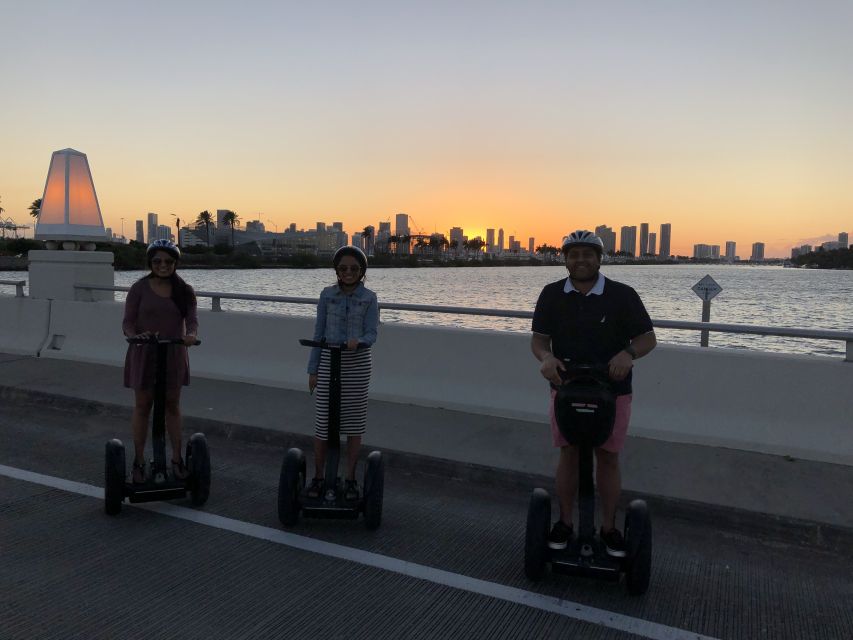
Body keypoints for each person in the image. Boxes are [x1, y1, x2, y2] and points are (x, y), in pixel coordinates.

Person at [531, 230, 657, 557]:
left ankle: (609, 528)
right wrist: (546, 359)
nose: (581, 260)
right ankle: (565, 523)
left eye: (588, 254)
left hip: (613, 391)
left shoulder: (622, 295)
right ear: (565, 259)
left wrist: (627, 354)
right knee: (569, 453)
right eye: (574, 254)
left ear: (600, 259)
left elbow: (647, 339)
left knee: (608, 456)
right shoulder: (551, 294)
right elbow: (539, 340)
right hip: (565, 387)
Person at [122, 240, 199, 484]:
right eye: (157, 261)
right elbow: (128, 322)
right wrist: (134, 336)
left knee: (172, 405)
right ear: (150, 263)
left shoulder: (184, 290)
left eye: (168, 261)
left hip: (173, 353)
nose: (163, 265)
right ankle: (139, 461)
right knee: (143, 406)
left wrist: (190, 336)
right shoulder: (138, 289)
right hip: (144, 353)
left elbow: (193, 320)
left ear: (175, 263)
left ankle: (176, 459)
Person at [307, 245, 379, 501]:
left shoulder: (369, 298)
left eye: (354, 268)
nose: (348, 272)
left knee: (353, 424)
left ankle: (349, 478)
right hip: (328, 360)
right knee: (323, 424)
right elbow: (318, 334)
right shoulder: (326, 295)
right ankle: (318, 477)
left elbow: (372, 333)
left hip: (357, 365)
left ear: (362, 271)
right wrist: (313, 369)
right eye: (343, 268)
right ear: (336, 270)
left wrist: (358, 340)